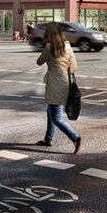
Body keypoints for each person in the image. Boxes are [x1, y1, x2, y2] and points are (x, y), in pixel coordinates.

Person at [35, 22, 82, 154]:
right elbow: (74, 67)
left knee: (56, 117)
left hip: (54, 84)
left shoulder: (49, 48)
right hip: (65, 83)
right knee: (51, 112)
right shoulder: (68, 47)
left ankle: (75, 137)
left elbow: (39, 62)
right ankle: (48, 138)